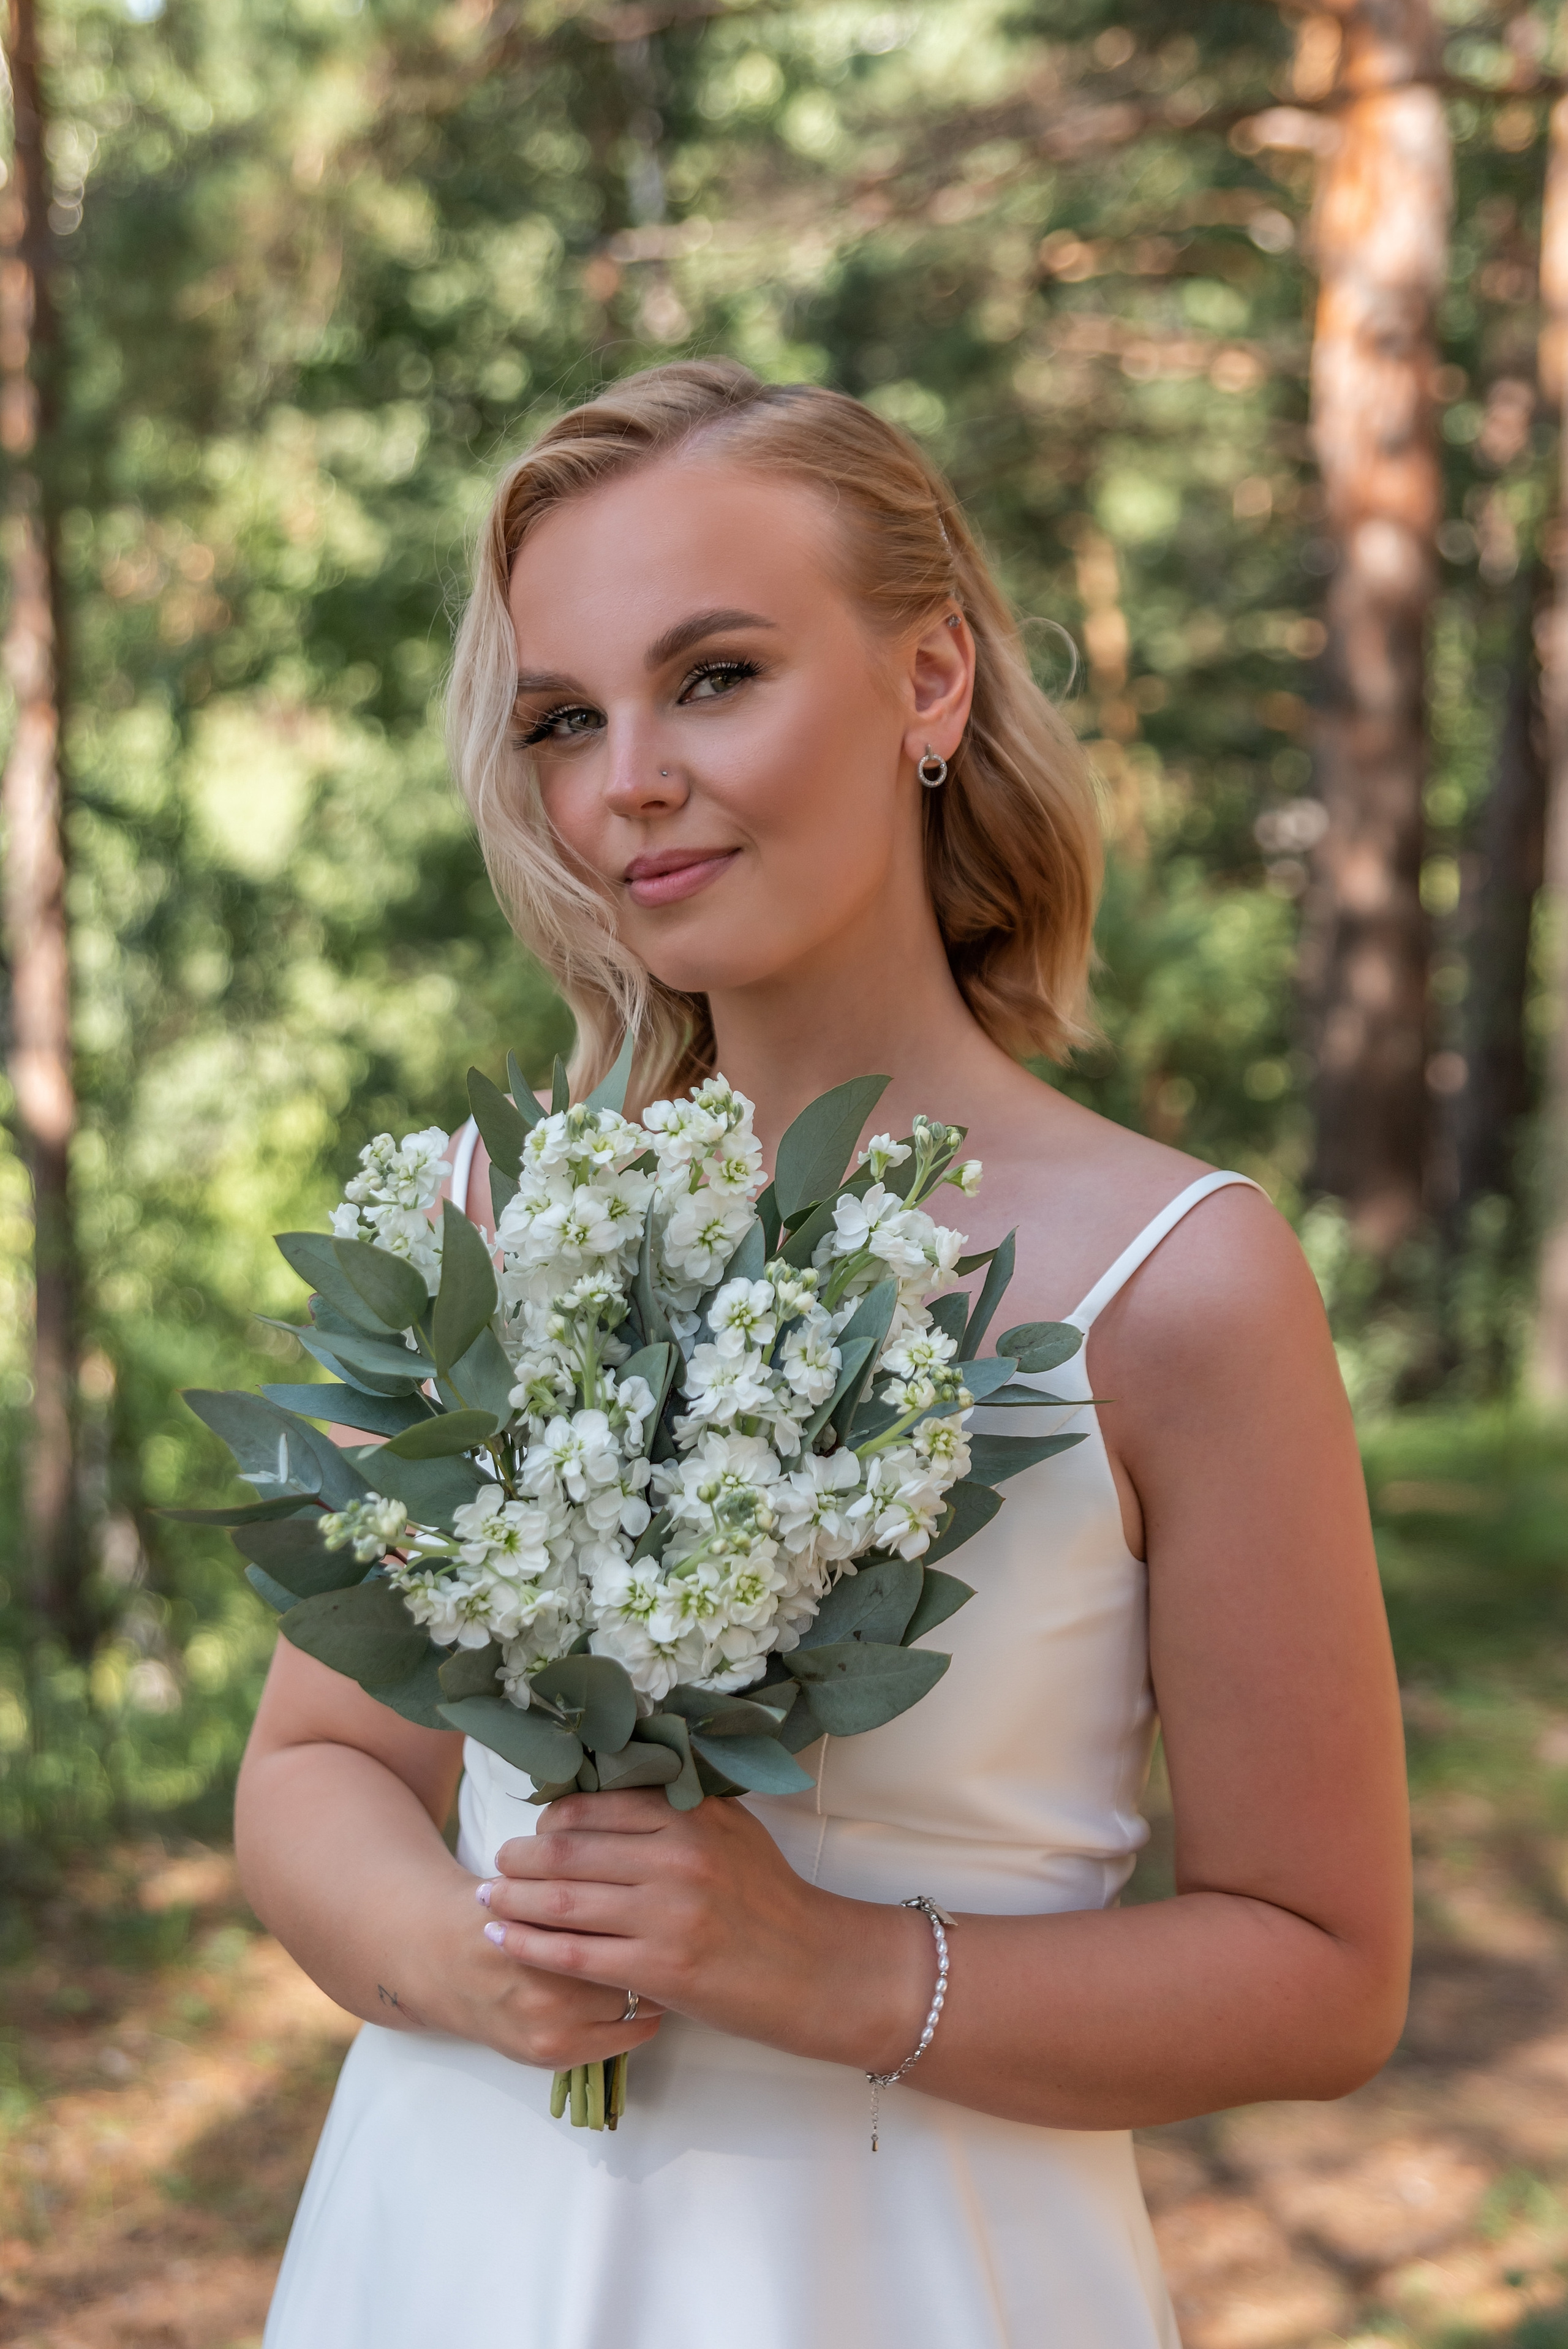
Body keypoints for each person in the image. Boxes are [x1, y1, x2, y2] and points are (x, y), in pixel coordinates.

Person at [238, 358, 1411, 2348]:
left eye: (714, 677)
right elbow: (317, 1765)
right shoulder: (482, 1218)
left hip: (909, 2283)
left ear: (929, 684)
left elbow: (1321, 1966)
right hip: (448, 2252)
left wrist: (848, 1973)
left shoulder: (1176, 1279)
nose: (629, 780)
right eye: (563, 718)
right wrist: (463, 1954)